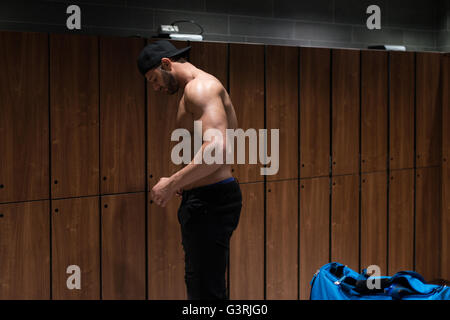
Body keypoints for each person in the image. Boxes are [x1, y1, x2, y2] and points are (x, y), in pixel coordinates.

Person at [137, 40, 242, 300]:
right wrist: (187, 181)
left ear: (166, 63)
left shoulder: (200, 88)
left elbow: (217, 150)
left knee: (206, 291)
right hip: (206, 200)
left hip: (210, 203)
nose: (156, 87)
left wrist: (172, 182)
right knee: (203, 285)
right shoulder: (193, 89)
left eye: (153, 79)